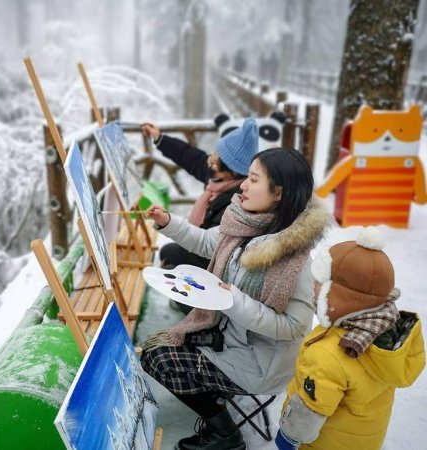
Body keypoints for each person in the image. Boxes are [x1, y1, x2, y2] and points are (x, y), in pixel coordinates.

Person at [142, 148, 331, 450]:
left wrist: (234, 301)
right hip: (230, 337)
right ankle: (214, 400)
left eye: (253, 180)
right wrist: (168, 222)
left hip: (259, 364)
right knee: (161, 343)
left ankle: (225, 435)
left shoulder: (294, 260)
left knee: (157, 359)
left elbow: (295, 327)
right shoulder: (248, 222)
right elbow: (207, 242)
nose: (243, 185)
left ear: (278, 192)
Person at [275, 227, 425, 450]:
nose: (313, 289)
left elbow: (308, 414)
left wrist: (289, 437)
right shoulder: (383, 333)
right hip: (363, 439)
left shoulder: (327, 354)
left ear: (339, 295)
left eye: (319, 283)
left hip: (325, 443)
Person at [141, 118, 258, 314]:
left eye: (216, 157)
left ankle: (200, 313)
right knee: (170, 254)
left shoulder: (236, 201)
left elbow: (215, 249)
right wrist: (159, 138)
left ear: (231, 170)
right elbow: (191, 157)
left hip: (220, 265)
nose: (211, 158)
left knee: (171, 263)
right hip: (205, 244)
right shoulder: (220, 178)